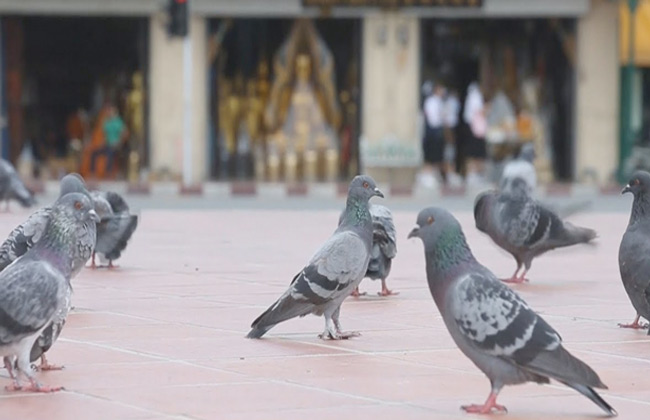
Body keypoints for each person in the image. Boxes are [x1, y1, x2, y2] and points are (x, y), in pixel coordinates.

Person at [417, 81, 445, 189]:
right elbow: (433, 118)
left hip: (437, 130)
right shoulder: (431, 101)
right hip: (432, 131)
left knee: (437, 154)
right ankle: (426, 175)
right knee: (430, 154)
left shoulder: (439, 101)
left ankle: (433, 173)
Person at [462, 82, 488, 187]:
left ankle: (474, 173)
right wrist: (488, 108)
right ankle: (472, 173)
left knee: (475, 152)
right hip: (475, 129)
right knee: (475, 153)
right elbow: (480, 111)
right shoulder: (475, 97)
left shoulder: (471, 97)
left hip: (473, 128)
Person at [90, 105, 126, 177]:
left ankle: (108, 174)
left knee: (110, 153)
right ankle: (92, 173)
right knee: (94, 153)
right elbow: (104, 135)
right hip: (107, 144)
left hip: (116, 145)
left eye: (110, 111)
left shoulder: (118, 121)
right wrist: (102, 143)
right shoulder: (106, 122)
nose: (109, 113)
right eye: (108, 111)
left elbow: (124, 133)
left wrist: (119, 142)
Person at [442, 88, 463, 187]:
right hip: (448, 131)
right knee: (448, 154)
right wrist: (449, 135)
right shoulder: (449, 104)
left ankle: (451, 173)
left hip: (451, 131)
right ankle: (448, 174)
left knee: (451, 153)